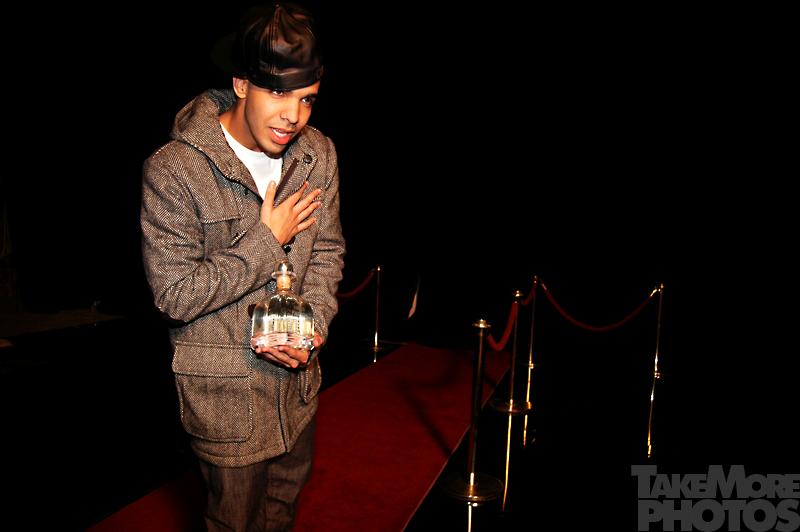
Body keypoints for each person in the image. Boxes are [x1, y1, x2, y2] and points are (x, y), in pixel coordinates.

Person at [140, 3, 345, 530]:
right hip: (227, 399)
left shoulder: (318, 154)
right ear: (241, 84)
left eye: (306, 98)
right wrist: (266, 240)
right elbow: (174, 295)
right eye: (277, 93)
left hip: (297, 393)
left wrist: (314, 329)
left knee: (282, 517)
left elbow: (326, 253)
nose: (293, 116)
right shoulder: (175, 169)